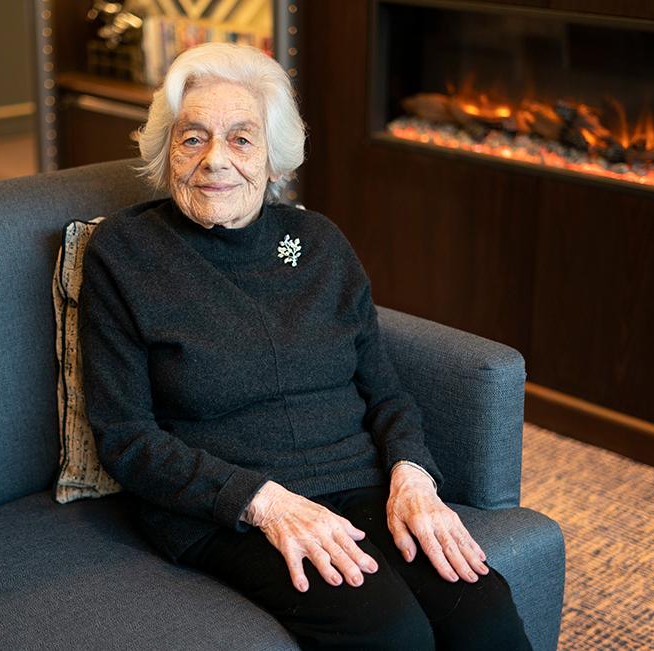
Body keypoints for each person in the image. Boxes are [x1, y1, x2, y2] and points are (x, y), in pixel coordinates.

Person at [81, 42, 531, 650]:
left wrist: (413, 476)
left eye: (241, 139)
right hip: (227, 505)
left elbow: (386, 391)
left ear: (274, 159)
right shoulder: (126, 254)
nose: (215, 160)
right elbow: (125, 438)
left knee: (483, 613)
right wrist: (262, 503)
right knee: (388, 632)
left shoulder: (316, 243)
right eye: (193, 139)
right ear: (167, 155)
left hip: (357, 481)